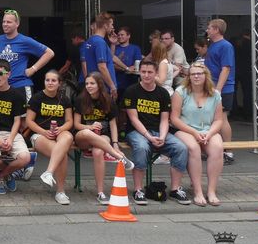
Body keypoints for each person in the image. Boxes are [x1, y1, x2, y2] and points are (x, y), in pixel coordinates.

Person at [122, 60, 192, 205]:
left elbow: (165, 119)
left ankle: (175, 189)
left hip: (159, 131)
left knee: (181, 148)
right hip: (136, 131)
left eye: (150, 72)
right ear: (139, 72)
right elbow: (134, 119)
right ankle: (138, 190)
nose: (146, 75)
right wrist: (149, 137)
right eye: (143, 72)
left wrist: (162, 136)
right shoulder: (131, 91)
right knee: (142, 147)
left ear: (156, 74)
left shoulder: (163, 93)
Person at [170, 62, 224, 207]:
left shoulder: (215, 94)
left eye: (199, 73)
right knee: (193, 148)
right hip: (185, 129)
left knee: (218, 147)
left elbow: (219, 120)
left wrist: (210, 133)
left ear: (206, 76)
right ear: (188, 77)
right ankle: (198, 191)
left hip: (208, 129)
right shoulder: (180, 92)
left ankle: (211, 191)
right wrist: (194, 132)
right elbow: (174, 119)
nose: (196, 76)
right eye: (192, 74)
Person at [73, 72, 132, 205]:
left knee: (98, 151)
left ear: (99, 85)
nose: (88, 86)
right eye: (87, 83)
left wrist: (115, 143)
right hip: (83, 136)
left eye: (92, 83)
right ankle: (118, 157)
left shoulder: (108, 100)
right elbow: (76, 124)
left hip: (103, 136)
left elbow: (113, 124)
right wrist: (90, 127)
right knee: (87, 133)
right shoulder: (80, 99)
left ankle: (100, 192)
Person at [0, 60, 31, 195]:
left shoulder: (17, 95)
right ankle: (9, 173)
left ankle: (1, 175)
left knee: (25, 158)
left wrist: (10, 139)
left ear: (8, 74)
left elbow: (17, 121)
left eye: (0, 73)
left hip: (11, 133)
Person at [26, 69, 74, 205]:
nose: (50, 83)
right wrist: (43, 132)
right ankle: (60, 191)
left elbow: (69, 121)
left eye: (53, 80)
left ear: (59, 83)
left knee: (68, 136)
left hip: (59, 132)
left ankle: (49, 172)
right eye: (47, 80)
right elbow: (29, 121)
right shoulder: (37, 98)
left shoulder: (64, 99)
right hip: (40, 134)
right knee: (61, 154)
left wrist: (61, 129)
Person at [0, 9, 54, 101]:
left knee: (26, 111)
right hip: (3, 86)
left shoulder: (25, 40)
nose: (5, 24)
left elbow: (49, 53)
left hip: (21, 85)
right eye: (3, 22)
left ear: (17, 24)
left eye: (9, 22)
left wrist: (33, 69)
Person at [204, 19, 235, 164]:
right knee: (214, 119)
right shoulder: (213, 45)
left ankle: (228, 152)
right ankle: (216, 149)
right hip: (212, 86)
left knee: (222, 118)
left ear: (216, 29)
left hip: (223, 88)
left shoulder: (226, 46)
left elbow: (226, 68)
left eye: (209, 28)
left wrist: (218, 90)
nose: (207, 30)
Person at [81, 14, 118, 100]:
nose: (112, 27)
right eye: (111, 24)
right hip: (103, 88)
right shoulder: (99, 42)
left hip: (96, 85)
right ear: (105, 25)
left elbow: (109, 59)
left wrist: (113, 44)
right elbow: (102, 67)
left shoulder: (90, 41)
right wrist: (112, 86)